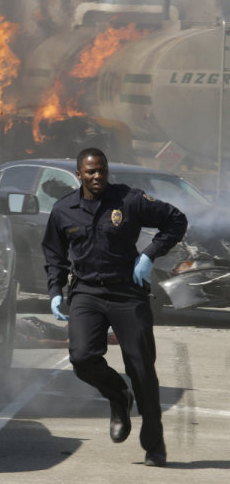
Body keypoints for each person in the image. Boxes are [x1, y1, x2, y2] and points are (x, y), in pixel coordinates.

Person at [41, 147, 188, 466]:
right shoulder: (63, 209)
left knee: (141, 368)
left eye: (102, 170)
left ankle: (154, 443)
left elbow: (176, 221)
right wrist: (55, 290)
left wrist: (149, 255)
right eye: (90, 172)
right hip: (87, 292)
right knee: (82, 358)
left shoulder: (129, 200)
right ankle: (118, 397)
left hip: (126, 292)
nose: (97, 176)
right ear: (78, 175)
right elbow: (54, 253)